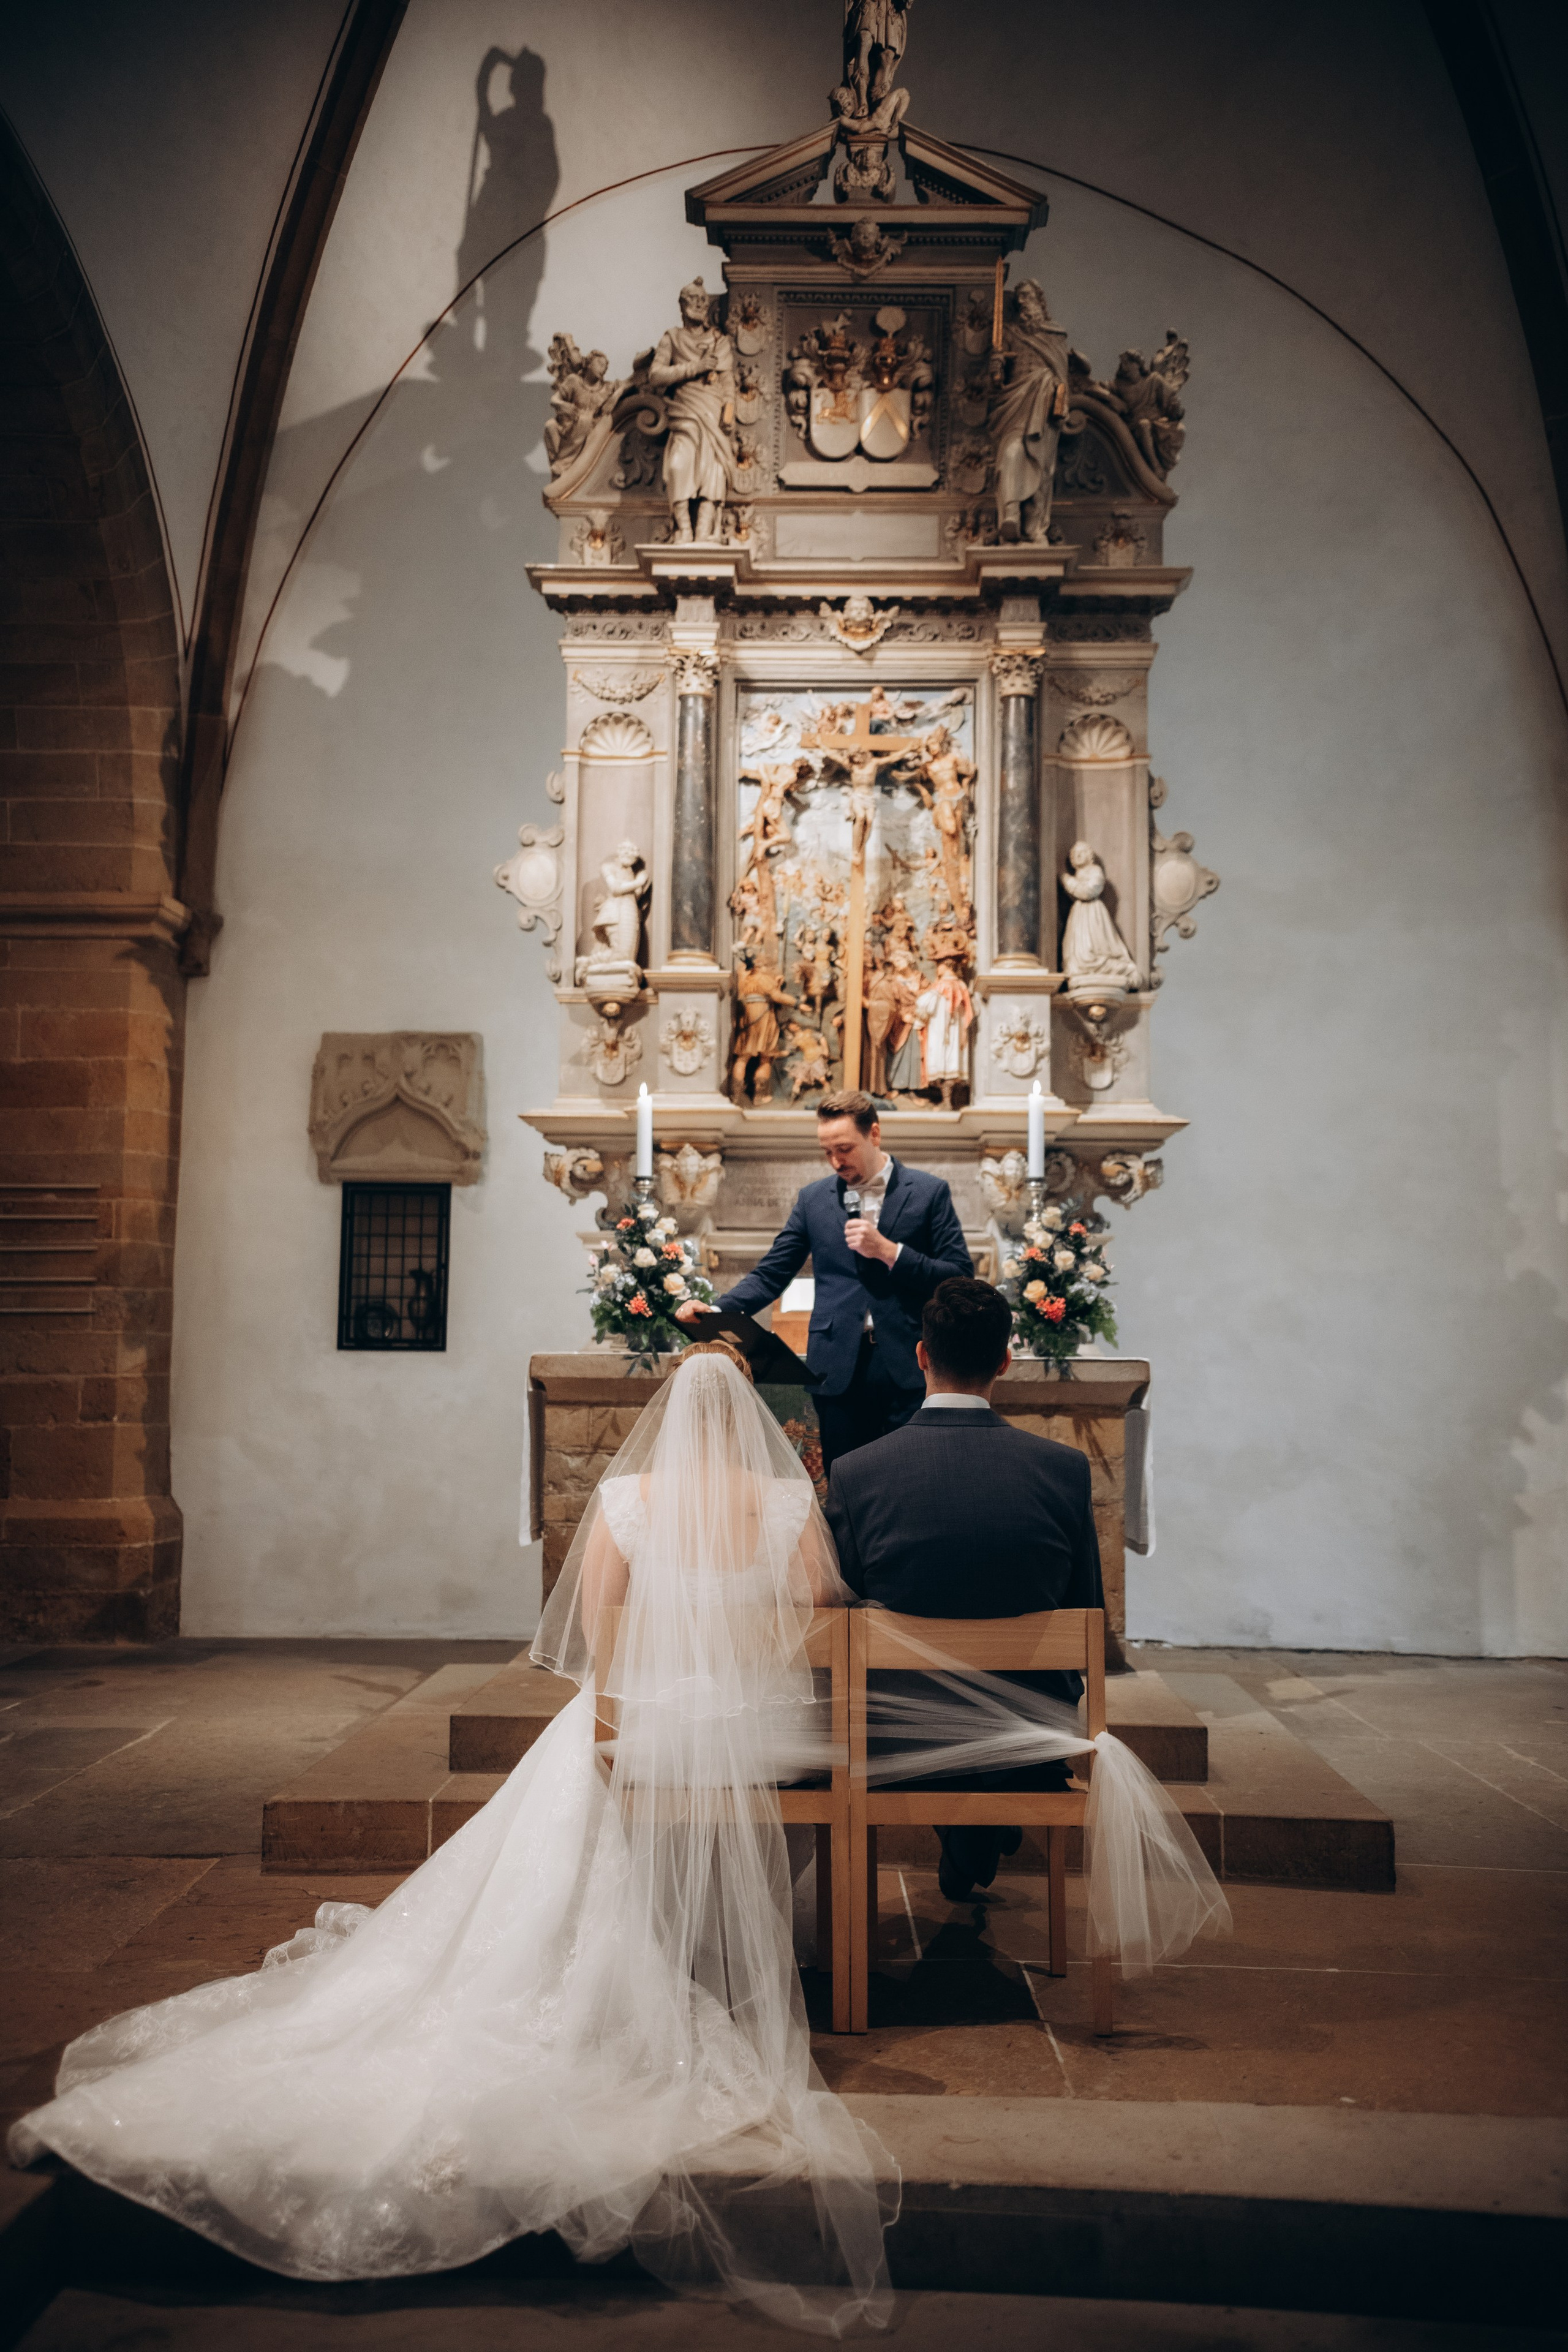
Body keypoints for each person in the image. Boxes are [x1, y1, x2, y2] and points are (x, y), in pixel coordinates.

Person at [8, 1346, 895, 2334]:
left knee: (562, 1789)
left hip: (640, 1727)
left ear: (667, 1416)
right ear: (755, 1422)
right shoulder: (783, 1503)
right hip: (752, 1731)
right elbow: (824, 1606)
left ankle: (601, 1946)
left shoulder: (629, 1495)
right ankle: (706, 1938)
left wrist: (665, 1658)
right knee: (790, 1758)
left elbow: (596, 1624)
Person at [824, 1276, 1104, 1902]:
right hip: (1029, 1731)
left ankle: (967, 1822)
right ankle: (980, 1814)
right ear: (1005, 1360)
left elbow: (838, 1614)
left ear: (920, 1356)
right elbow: (1087, 1612)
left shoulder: (857, 1473)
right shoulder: (1064, 1470)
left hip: (901, 1733)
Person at [679, 1088, 971, 1474]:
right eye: (827, 1151)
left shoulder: (929, 1192)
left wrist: (890, 1252)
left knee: (913, 1477)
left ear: (875, 1134)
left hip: (911, 1360)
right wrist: (717, 1311)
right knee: (845, 1482)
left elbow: (959, 1274)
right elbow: (773, 1272)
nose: (836, 1161)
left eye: (845, 1149)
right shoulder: (814, 1200)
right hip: (838, 1365)